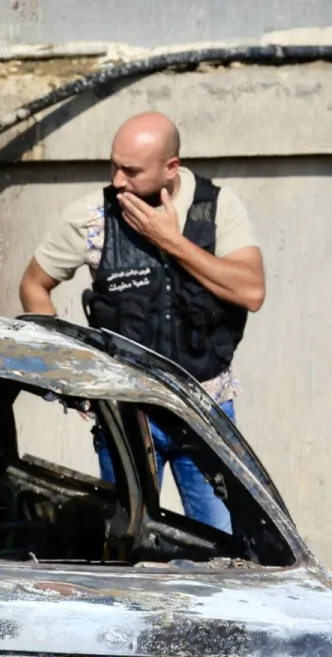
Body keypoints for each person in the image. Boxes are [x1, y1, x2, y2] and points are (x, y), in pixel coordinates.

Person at [19, 111, 265, 532]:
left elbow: (251, 292)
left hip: (205, 414)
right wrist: (66, 378)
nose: (118, 181)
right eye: (113, 166)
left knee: (222, 551)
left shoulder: (218, 208)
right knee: (125, 548)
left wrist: (170, 241)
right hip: (128, 417)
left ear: (172, 167)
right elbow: (33, 286)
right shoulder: (92, 216)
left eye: (131, 171)